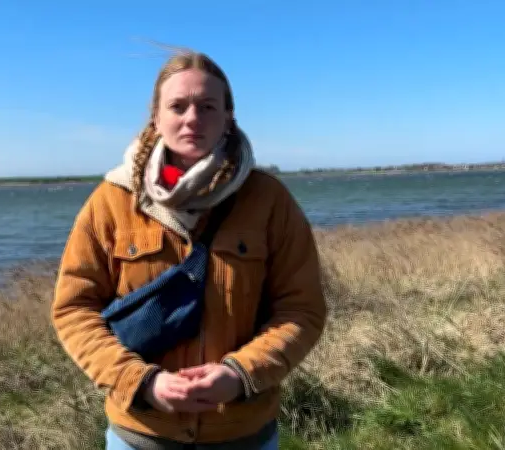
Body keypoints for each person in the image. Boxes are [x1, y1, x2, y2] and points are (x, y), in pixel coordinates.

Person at [51, 49, 327, 449]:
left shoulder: (268, 200)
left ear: (228, 117)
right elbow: (74, 309)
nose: (192, 118)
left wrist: (240, 374)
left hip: (243, 434)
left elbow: (302, 310)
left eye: (207, 106)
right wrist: (141, 382)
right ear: (156, 117)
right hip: (141, 435)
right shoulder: (111, 201)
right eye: (177, 106)